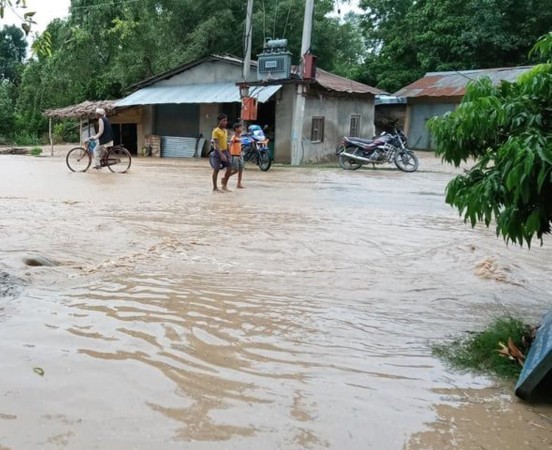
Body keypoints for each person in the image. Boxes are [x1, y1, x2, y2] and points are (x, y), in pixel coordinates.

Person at [210, 113, 232, 192]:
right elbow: (216, 143)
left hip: (225, 151)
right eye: (223, 121)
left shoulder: (225, 131)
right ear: (219, 121)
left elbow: (226, 142)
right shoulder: (215, 131)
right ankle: (215, 188)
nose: (225, 122)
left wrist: (229, 153)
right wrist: (221, 154)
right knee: (216, 169)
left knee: (229, 168)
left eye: (226, 121)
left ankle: (224, 185)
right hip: (217, 152)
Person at [229, 122, 245, 189]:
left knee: (241, 170)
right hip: (234, 156)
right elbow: (230, 145)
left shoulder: (240, 137)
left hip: (239, 155)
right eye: (240, 128)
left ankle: (239, 184)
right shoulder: (234, 137)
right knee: (235, 170)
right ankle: (226, 177)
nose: (241, 129)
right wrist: (229, 154)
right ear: (236, 129)